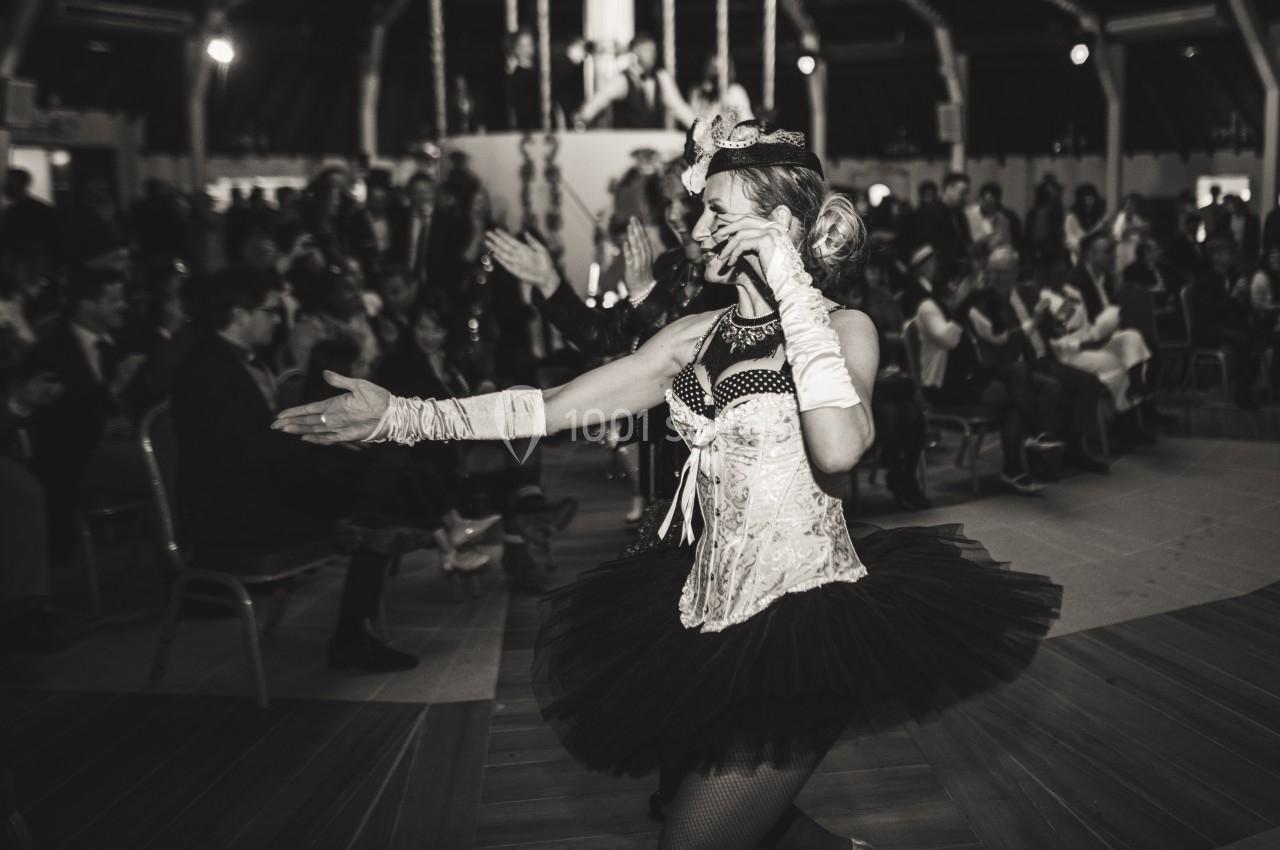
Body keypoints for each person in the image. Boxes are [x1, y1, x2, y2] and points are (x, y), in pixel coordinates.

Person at [275, 114, 1061, 849]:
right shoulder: (693, 334)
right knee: (743, 822)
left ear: (782, 225)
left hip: (806, 622)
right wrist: (401, 417)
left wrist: (789, 282)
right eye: (701, 209)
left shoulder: (840, 327)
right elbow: (551, 407)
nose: (697, 230)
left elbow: (840, 447)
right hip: (702, 618)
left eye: (718, 212)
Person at [573, 33, 687, 129]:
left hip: (653, 141)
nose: (652, 55)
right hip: (625, 141)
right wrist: (583, 118)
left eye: (654, 51)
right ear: (636, 52)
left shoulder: (662, 77)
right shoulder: (622, 80)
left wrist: (696, 128)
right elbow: (600, 100)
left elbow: (679, 107)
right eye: (647, 50)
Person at [504, 28, 541, 131]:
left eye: (529, 44)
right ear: (515, 48)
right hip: (524, 123)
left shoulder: (541, 71)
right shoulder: (515, 75)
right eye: (523, 45)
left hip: (540, 120)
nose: (527, 49)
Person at [1064, 183, 1105, 263]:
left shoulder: (1095, 216)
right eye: (1089, 199)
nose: (1092, 202)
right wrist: (1095, 230)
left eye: (1094, 199)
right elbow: (1073, 242)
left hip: (1095, 258)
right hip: (1079, 258)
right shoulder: (1071, 218)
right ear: (1081, 200)